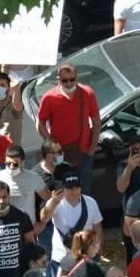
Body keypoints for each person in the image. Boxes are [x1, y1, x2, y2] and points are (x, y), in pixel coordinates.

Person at [36, 62, 101, 194]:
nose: (69, 83)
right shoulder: (49, 97)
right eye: (65, 80)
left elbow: (96, 121)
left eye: (72, 79)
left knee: (84, 192)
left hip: (84, 154)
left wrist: (92, 149)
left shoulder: (87, 93)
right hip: (60, 157)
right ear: (58, 80)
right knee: (62, 194)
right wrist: (50, 144)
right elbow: (40, 122)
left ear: (77, 78)